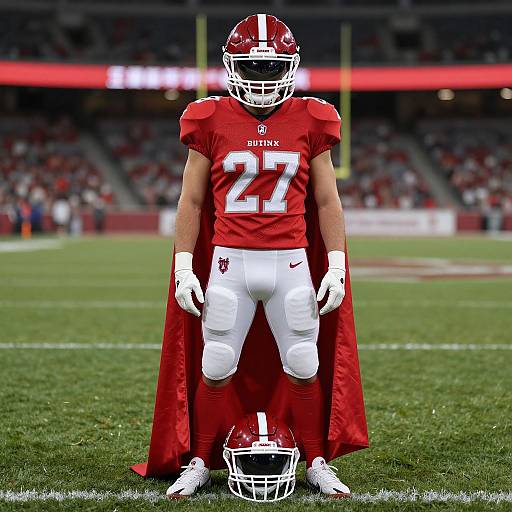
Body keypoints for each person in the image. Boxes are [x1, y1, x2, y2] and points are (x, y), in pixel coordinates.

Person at [131, 13, 368, 499]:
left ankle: (316, 460)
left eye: (271, 67)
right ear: (231, 65)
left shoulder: (312, 117)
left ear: (292, 66)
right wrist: (182, 268)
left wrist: (338, 266)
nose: (261, 77)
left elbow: (327, 201)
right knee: (216, 363)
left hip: (292, 262)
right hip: (228, 262)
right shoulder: (210, 117)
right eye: (251, 67)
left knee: (304, 361)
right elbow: (191, 201)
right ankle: (199, 460)